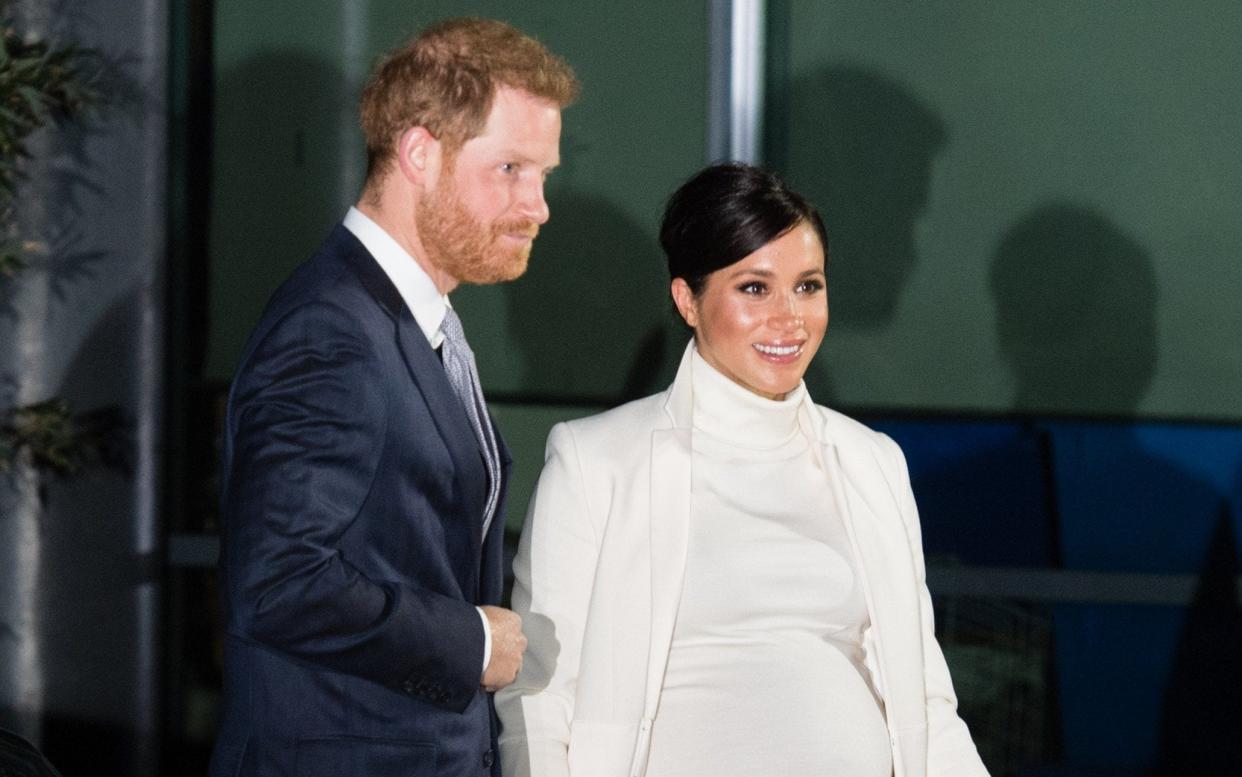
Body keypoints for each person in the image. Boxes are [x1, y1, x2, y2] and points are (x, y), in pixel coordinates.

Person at [495, 163, 988, 777]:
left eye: (808, 286)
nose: (790, 318)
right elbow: (539, 695)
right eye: (755, 288)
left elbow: (926, 699)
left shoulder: (872, 462)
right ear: (688, 300)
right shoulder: (595, 461)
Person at [209, 18, 578, 777]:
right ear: (419, 152)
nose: (538, 206)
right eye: (510, 169)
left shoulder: (407, 316)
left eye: (543, 175)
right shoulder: (332, 329)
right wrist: (473, 641)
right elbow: (276, 582)